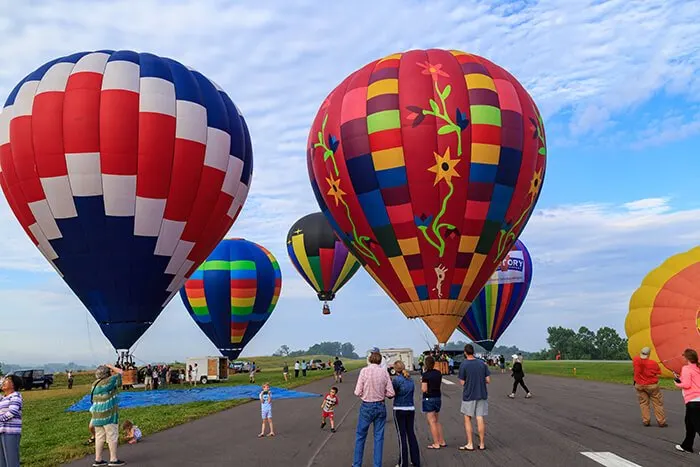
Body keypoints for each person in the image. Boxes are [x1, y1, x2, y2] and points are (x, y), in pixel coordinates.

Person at [353, 351, 395, 467]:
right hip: (380, 405)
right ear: (380, 361)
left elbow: (357, 392)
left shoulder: (364, 371)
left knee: (360, 436)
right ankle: (377, 465)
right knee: (378, 437)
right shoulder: (384, 372)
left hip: (366, 405)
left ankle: (357, 464)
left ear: (370, 360)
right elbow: (391, 393)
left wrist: (364, 393)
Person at [90, 364, 125, 466]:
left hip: (97, 416)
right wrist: (110, 365)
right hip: (109, 414)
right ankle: (113, 459)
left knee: (99, 437)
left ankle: (98, 460)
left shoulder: (94, 384)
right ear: (108, 373)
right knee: (112, 436)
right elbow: (121, 372)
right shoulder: (110, 381)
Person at [458, 344, 491, 451]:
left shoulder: (463, 365)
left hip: (469, 395)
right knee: (480, 417)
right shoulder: (482, 364)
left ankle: (470, 443)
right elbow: (488, 380)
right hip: (481, 393)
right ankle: (481, 444)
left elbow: (462, 382)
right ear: (473, 352)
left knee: (467, 418)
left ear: (465, 352)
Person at [392, 361, 420, 467]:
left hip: (399, 408)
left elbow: (392, 393)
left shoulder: (396, 380)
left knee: (401, 436)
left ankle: (403, 463)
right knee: (411, 434)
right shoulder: (410, 380)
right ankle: (416, 460)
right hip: (410, 408)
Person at [674, 348, 700, 454]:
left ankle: (687, 446)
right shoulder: (698, 368)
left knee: (697, 425)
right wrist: (680, 378)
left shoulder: (686, 368)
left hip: (693, 401)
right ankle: (687, 446)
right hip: (697, 400)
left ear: (687, 358)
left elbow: (687, 385)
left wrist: (677, 383)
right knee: (690, 424)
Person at [632, 346, 666, 427]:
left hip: (639, 385)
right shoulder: (653, 363)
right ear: (649, 354)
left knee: (643, 403)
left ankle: (646, 421)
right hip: (652, 386)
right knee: (657, 403)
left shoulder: (636, 360)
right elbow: (658, 372)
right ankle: (661, 422)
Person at [421, 355, 445, 450]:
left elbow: (424, 389)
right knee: (436, 421)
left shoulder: (425, 375)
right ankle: (441, 441)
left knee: (431, 421)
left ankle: (436, 443)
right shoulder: (438, 373)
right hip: (437, 397)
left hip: (429, 398)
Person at [0, 374, 23, 467]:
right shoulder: (3, 398)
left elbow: (12, 412)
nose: (3, 382)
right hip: (2, 431)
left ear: (13, 384)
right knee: (2, 462)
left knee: (11, 461)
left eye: (7, 380)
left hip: (10, 432)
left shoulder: (15, 396)